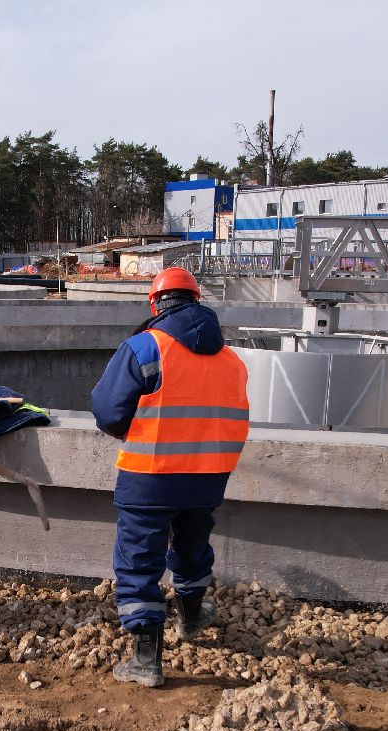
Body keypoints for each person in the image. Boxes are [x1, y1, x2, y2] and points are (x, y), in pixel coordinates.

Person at [90, 267, 249, 687]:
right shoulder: (230, 359)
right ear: (197, 301)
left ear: (154, 305)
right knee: (194, 546)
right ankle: (192, 618)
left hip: (151, 476)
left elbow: (107, 410)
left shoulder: (145, 348)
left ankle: (145, 660)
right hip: (207, 477)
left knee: (139, 560)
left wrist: (136, 430)